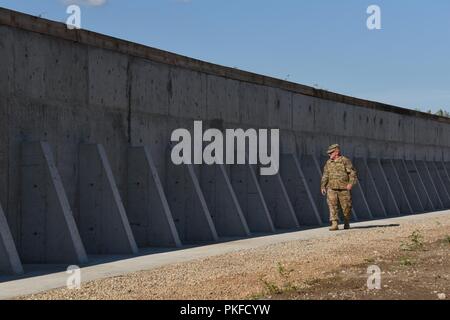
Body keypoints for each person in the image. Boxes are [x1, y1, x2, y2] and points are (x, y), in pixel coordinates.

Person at [320, 144, 358, 231]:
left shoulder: (345, 161)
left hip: (344, 188)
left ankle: (346, 221)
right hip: (331, 188)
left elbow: (352, 173)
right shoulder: (328, 163)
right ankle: (334, 223)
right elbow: (325, 175)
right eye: (329, 154)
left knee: (346, 207)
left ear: (336, 152)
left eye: (331, 153)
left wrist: (350, 184)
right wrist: (323, 186)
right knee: (332, 205)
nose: (329, 155)